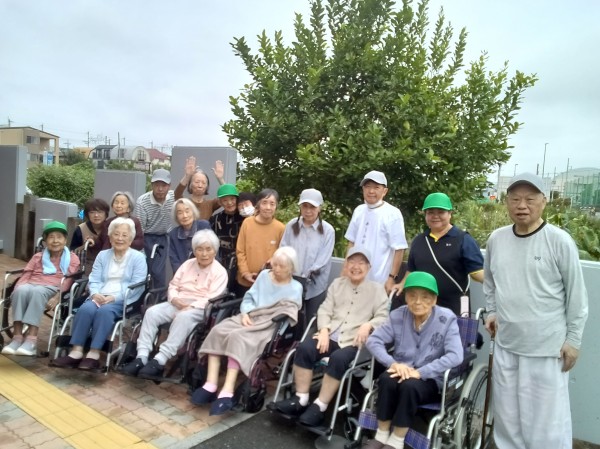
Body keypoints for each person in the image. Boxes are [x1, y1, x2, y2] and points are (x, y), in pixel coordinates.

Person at [484, 173, 588, 449]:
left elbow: (577, 296)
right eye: (515, 199)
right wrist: (491, 313)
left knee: (546, 423)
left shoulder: (559, 241)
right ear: (506, 202)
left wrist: (573, 340)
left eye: (530, 199)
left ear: (544, 201)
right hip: (507, 343)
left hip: (546, 348)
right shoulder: (496, 239)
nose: (522, 205)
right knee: (507, 418)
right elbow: (490, 283)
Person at [273, 247, 389, 428]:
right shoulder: (337, 284)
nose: (356, 266)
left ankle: (320, 406)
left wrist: (369, 325)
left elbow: (384, 317)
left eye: (361, 263)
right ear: (346, 264)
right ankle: (301, 398)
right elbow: (325, 309)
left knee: (338, 358)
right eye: (352, 262)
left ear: (368, 267)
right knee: (304, 348)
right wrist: (324, 330)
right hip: (330, 335)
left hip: (354, 342)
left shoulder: (377, 290)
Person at [192, 246, 303, 415]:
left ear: (291, 268)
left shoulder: (296, 288)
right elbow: (249, 298)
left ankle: (227, 390)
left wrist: (274, 331)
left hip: (269, 326)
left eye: (282, 266)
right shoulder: (264, 276)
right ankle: (211, 384)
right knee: (218, 331)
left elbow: (289, 314)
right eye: (275, 264)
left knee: (238, 337)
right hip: (250, 316)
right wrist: (245, 314)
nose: (277, 269)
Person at [363, 271, 463, 449]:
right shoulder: (398, 315)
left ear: (434, 300)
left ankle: (396, 440)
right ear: (406, 297)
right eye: (412, 296)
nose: (418, 302)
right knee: (386, 379)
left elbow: (456, 355)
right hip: (402, 370)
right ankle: (381, 435)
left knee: (409, 386)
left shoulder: (447, 319)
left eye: (425, 297)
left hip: (431, 379)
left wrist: (420, 372)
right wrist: (393, 364)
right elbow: (373, 340)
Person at [121, 229, 227, 378]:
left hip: (199, 308)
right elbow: (173, 285)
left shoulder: (220, 272)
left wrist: (190, 307)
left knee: (183, 317)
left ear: (214, 251)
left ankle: (160, 359)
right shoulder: (187, 264)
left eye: (208, 249)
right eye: (200, 249)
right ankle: (142, 356)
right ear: (194, 250)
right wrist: (174, 299)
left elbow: (212, 297)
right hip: (178, 302)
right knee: (151, 312)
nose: (204, 254)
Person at [51, 218, 148, 370]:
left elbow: (138, 284)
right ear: (110, 237)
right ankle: (76, 351)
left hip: (123, 298)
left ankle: (94, 353)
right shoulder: (103, 255)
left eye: (124, 235)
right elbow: (94, 278)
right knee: (85, 309)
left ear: (130, 239)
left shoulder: (138, 258)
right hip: (100, 294)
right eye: (116, 234)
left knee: (105, 312)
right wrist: (95, 293)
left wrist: (114, 297)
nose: (120, 238)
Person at [392, 193, 484, 316]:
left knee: (458, 329)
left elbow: (477, 272)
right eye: (430, 212)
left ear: (450, 214)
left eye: (441, 212)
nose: (435, 216)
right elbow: (411, 270)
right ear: (425, 215)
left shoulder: (463, 239)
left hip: (456, 305)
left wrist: (498, 285)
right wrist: (402, 284)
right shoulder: (419, 241)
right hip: (424, 306)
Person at [2, 221, 81, 356]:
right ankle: (17, 337)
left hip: (52, 286)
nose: (55, 241)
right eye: (51, 237)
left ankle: (31, 341)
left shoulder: (73, 258)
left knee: (37, 292)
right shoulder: (38, 256)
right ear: (45, 241)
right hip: (31, 283)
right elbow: (26, 273)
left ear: (65, 240)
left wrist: (58, 297)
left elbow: (68, 279)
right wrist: (18, 287)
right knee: (20, 291)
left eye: (59, 237)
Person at [345, 170, 408, 293]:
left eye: (376, 187)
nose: (371, 191)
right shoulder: (359, 210)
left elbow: (399, 249)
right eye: (367, 187)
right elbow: (351, 242)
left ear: (385, 191)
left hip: (379, 281)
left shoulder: (393, 213)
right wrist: (346, 269)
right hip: (354, 277)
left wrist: (391, 277)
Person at [280, 188, 335, 319]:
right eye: (305, 206)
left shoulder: (328, 230)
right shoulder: (291, 225)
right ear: (300, 207)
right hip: (291, 283)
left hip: (315, 286)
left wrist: (307, 275)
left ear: (319, 208)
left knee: (312, 320)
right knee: (289, 320)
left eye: (312, 207)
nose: (308, 211)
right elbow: (283, 250)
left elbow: (323, 259)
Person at [235, 188, 285, 297]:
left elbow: (282, 254)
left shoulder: (280, 228)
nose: (268, 207)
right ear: (258, 205)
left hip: (269, 283)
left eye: (272, 204)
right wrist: (245, 273)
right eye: (264, 203)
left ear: (276, 206)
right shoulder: (247, 223)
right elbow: (240, 251)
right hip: (245, 282)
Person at [134, 168, 174, 290]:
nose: (160, 189)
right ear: (152, 185)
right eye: (157, 185)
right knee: (144, 269)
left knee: (158, 272)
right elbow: (140, 228)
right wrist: (141, 250)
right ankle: (143, 296)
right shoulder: (142, 201)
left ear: (169, 186)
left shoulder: (173, 197)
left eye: (164, 185)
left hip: (164, 236)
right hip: (147, 236)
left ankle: (158, 297)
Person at [209, 184, 245, 275]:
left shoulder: (245, 218)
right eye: (225, 200)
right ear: (220, 202)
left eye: (232, 199)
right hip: (221, 263)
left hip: (243, 262)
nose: (229, 203)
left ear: (237, 199)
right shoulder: (215, 219)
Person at [168, 198, 210, 273]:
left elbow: (212, 250)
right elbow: (174, 260)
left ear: (193, 212)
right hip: (183, 274)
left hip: (205, 271)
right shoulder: (173, 234)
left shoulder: (203, 226)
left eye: (187, 211)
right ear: (176, 216)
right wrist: (184, 275)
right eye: (180, 213)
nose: (185, 216)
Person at [69, 198, 110, 272]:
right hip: (86, 266)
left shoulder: (112, 228)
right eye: (92, 212)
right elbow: (72, 252)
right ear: (87, 214)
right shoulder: (80, 229)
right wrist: (85, 245)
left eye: (100, 212)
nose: (96, 215)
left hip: (108, 265)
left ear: (106, 214)